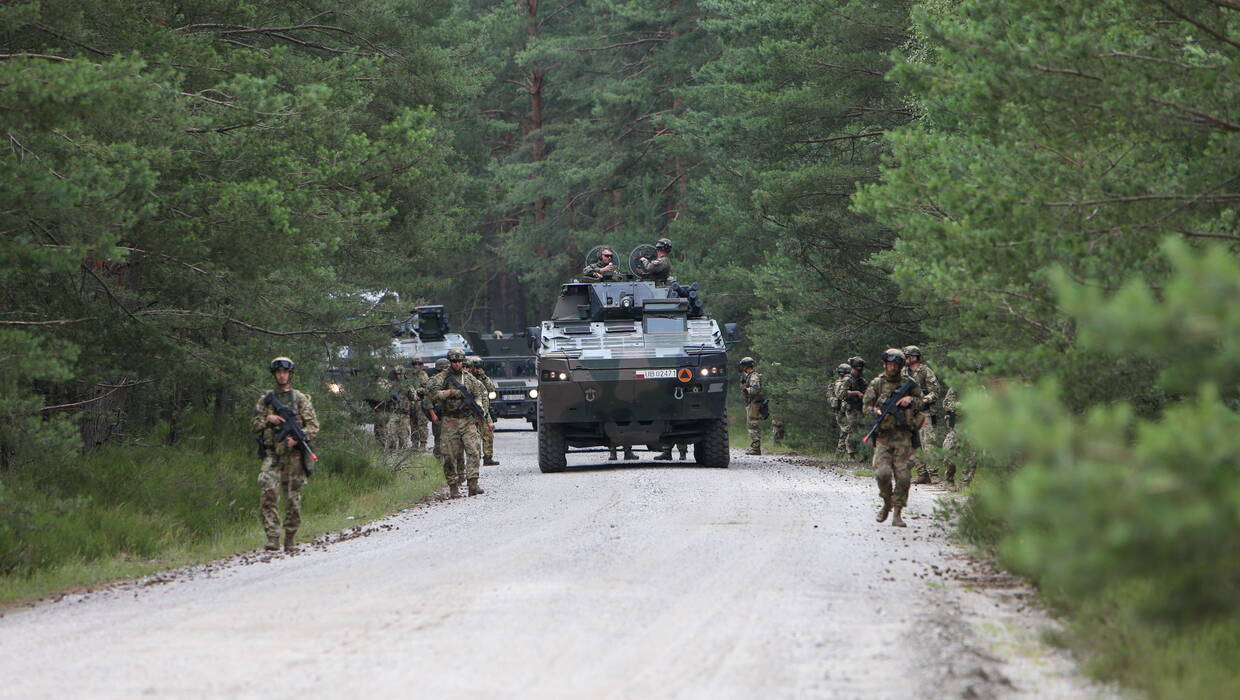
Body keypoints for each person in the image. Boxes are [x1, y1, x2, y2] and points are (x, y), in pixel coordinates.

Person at [250, 357, 320, 552]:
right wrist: (268, 419)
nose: (282, 375)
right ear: (274, 374)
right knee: (267, 492)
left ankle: (290, 538)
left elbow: (314, 425)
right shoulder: (266, 400)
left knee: (293, 498)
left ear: (290, 374)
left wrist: (299, 438)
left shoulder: (300, 399)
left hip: (295, 456)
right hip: (273, 455)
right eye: (278, 372)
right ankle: (272, 537)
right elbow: (253, 425)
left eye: (285, 372)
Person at [863, 348, 925, 528]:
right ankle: (886, 502)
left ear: (900, 366)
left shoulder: (910, 384)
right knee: (882, 474)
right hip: (883, 437)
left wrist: (910, 401)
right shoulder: (877, 383)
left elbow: (922, 402)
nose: (892, 367)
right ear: (884, 365)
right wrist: (875, 411)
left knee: (904, 477)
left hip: (904, 437)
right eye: (889, 364)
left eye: (895, 364)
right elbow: (865, 406)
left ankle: (897, 513)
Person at [426, 349, 489, 498]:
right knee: (448, 454)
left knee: (474, 451)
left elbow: (480, 392)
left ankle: (473, 484)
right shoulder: (442, 377)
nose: (457, 364)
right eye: (454, 361)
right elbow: (431, 393)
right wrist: (449, 393)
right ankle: (453, 486)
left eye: (460, 361)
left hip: (467, 420)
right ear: (450, 362)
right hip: (450, 420)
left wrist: (479, 406)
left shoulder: (469, 378)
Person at [902, 345, 941, 484]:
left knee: (928, 443)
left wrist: (925, 399)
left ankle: (934, 474)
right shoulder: (903, 372)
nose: (906, 359)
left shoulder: (925, 371)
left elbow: (935, 391)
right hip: (909, 413)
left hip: (924, 412)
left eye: (908, 356)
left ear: (914, 357)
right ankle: (922, 473)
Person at [468, 355, 499, 466]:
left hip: (484, 411)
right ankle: (475, 458)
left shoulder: (481, 377)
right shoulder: (466, 378)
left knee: (488, 433)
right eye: (475, 366)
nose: (477, 369)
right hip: (472, 411)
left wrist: (483, 376)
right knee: (473, 436)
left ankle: (488, 457)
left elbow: (491, 388)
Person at [834, 356, 867, 460]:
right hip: (851, 408)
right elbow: (841, 394)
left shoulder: (861, 380)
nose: (859, 370)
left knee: (862, 430)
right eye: (858, 368)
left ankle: (863, 455)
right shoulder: (848, 379)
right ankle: (851, 454)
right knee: (852, 431)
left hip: (861, 407)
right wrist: (855, 393)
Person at [739, 356, 765, 455]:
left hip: (754, 403)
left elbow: (755, 389)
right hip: (751, 403)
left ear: (746, 366)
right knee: (751, 425)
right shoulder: (749, 376)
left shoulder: (754, 376)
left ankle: (756, 448)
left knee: (752, 425)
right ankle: (755, 447)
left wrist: (746, 390)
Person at [828, 363, 851, 457]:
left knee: (844, 431)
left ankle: (840, 454)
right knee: (847, 430)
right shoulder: (847, 381)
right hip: (845, 409)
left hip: (839, 409)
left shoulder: (836, 382)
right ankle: (848, 454)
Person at [408, 358, 430, 451]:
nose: (416, 366)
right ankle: (414, 443)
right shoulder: (409, 376)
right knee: (413, 424)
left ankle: (423, 444)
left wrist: (418, 391)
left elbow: (428, 389)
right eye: (414, 364)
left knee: (422, 423)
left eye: (418, 364)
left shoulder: (424, 375)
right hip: (411, 403)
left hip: (420, 402)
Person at [428, 357, 449, 460]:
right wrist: (433, 414)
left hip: (450, 414)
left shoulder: (452, 379)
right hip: (438, 414)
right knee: (439, 440)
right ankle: (438, 462)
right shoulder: (433, 381)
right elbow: (427, 400)